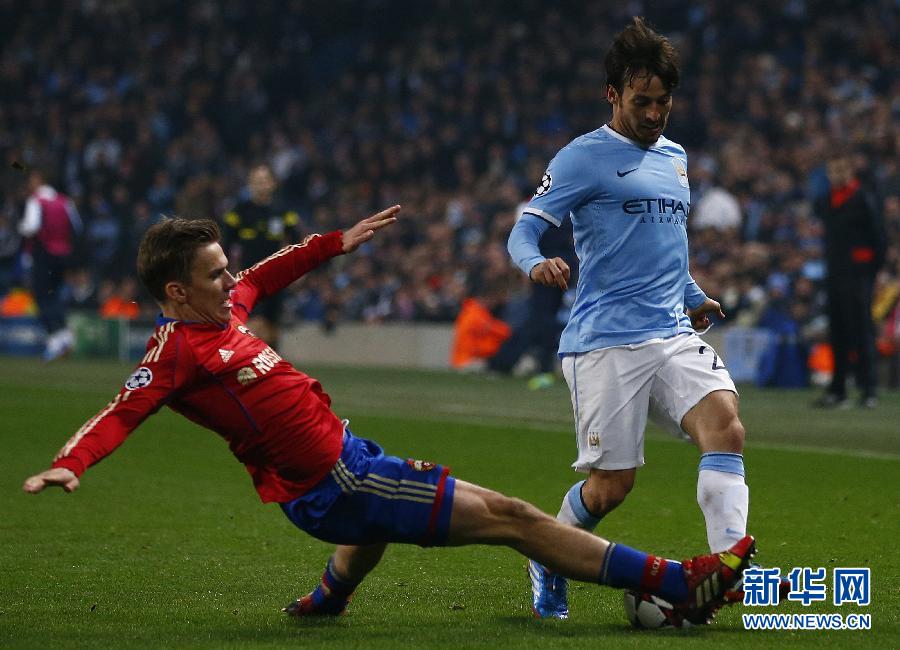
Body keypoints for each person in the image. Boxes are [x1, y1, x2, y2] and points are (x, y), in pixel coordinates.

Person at [23, 208, 754, 624]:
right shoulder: (177, 352)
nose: (232, 279)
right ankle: (673, 581)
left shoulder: (226, 309)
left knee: (376, 523)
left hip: (342, 466)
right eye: (216, 273)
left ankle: (328, 599)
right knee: (512, 517)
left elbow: (269, 272)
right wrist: (71, 461)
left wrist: (333, 244)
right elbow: (121, 412)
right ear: (177, 293)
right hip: (337, 482)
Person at [508, 17, 763, 619]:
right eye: (642, 101)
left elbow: (668, 248)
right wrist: (535, 263)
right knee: (610, 488)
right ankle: (547, 555)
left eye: (664, 101)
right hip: (606, 341)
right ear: (613, 95)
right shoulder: (581, 158)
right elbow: (526, 228)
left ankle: (728, 573)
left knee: (726, 427)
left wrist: (694, 295)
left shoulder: (675, 158)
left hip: (672, 332)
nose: (654, 114)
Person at [813, 153, 886, 409]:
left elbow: (879, 237)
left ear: (849, 172)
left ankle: (869, 390)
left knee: (862, 331)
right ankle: (838, 389)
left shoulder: (862, 198)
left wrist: (873, 271)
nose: (836, 176)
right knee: (838, 331)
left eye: (840, 170)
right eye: (832, 171)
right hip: (835, 273)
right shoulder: (826, 201)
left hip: (858, 274)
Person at [221, 164, 302, 347]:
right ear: (250, 184)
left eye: (264, 181)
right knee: (254, 324)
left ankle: (271, 367)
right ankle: (252, 364)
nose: (261, 185)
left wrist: (295, 270)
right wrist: (223, 273)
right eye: (256, 181)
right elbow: (226, 245)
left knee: (273, 327)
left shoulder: (283, 212)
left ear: (272, 184)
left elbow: (297, 242)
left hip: (275, 279)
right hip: (249, 280)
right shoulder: (239, 211)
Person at [19, 170, 82, 361]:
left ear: (39, 181)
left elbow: (31, 227)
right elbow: (77, 226)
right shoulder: (65, 201)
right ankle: (65, 335)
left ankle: (56, 339)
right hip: (63, 255)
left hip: (44, 253)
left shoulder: (36, 201)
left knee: (41, 295)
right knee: (54, 293)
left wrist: (20, 226)